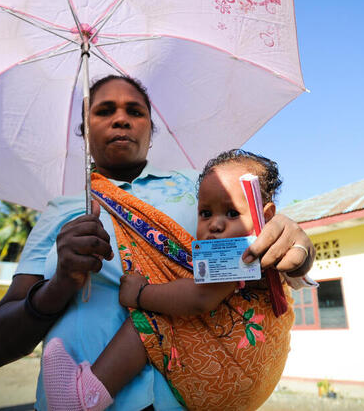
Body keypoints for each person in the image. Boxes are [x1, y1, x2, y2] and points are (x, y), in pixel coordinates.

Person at [0, 75, 316, 411]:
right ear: (85, 132)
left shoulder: (203, 186)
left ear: (151, 130)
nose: (120, 118)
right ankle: (81, 395)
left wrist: (300, 248)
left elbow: (264, 235)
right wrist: (60, 284)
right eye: (103, 111)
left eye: (135, 111)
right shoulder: (60, 211)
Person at [43, 149, 297, 410]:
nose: (215, 225)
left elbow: (200, 298)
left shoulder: (242, 252)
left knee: (151, 320)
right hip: (246, 381)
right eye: (206, 213)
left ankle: (85, 396)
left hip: (230, 373)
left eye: (232, 213)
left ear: (264, 216)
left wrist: (141, 295)